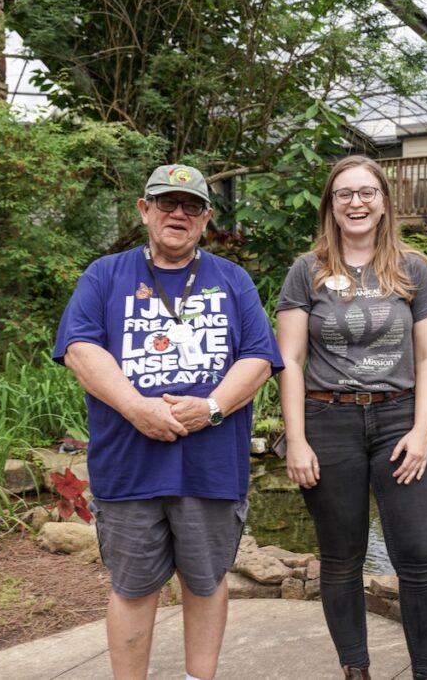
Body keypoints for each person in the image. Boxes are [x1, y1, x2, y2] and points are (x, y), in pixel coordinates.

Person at [54, 164, 282, 680]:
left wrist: (212, 408)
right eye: (166, 202)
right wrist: (137, 407)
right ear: (144, 210)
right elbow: (79, 349)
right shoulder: (104, 275)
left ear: (206, 217)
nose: (178, 213)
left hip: (210, 467)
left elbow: (258, 359)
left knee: (205, 583)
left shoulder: (233, 279)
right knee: (132, 588)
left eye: (192, 206)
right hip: (129, 467)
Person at [275, 155, 427, 680]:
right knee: (342, 557)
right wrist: (297, 440)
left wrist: (421, 432)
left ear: (384, 202)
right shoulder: (307, 271)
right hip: (329, 421)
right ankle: (356, 670)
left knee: (418, 556)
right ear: (331, 205)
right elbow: (290, 360)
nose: (356, 203)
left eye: (367, 192)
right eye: (344, 194)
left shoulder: (412, 268)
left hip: (398, 422)